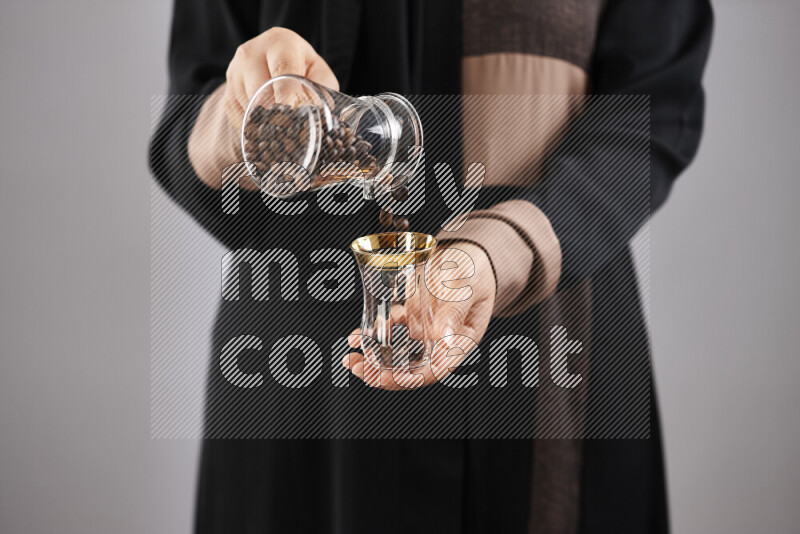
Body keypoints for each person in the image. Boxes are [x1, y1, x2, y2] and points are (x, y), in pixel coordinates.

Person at [150, 0, 713, 532]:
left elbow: (651, 111)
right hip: (303, 381)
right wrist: (250, 117)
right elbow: (183, 137)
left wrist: (500, 250)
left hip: (547, 345)